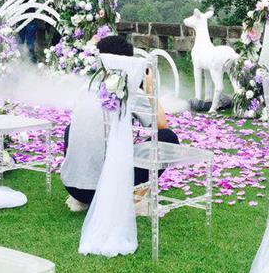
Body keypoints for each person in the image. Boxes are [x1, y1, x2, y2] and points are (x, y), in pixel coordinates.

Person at [60, 34, 181, 212]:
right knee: (168, 137)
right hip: (104, 190)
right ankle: (134, 198)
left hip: (73, 187)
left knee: (71, 129)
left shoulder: (86, 87)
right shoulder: (127, 91)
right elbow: (162, 125)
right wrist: (150, 89)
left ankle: (83, 193)